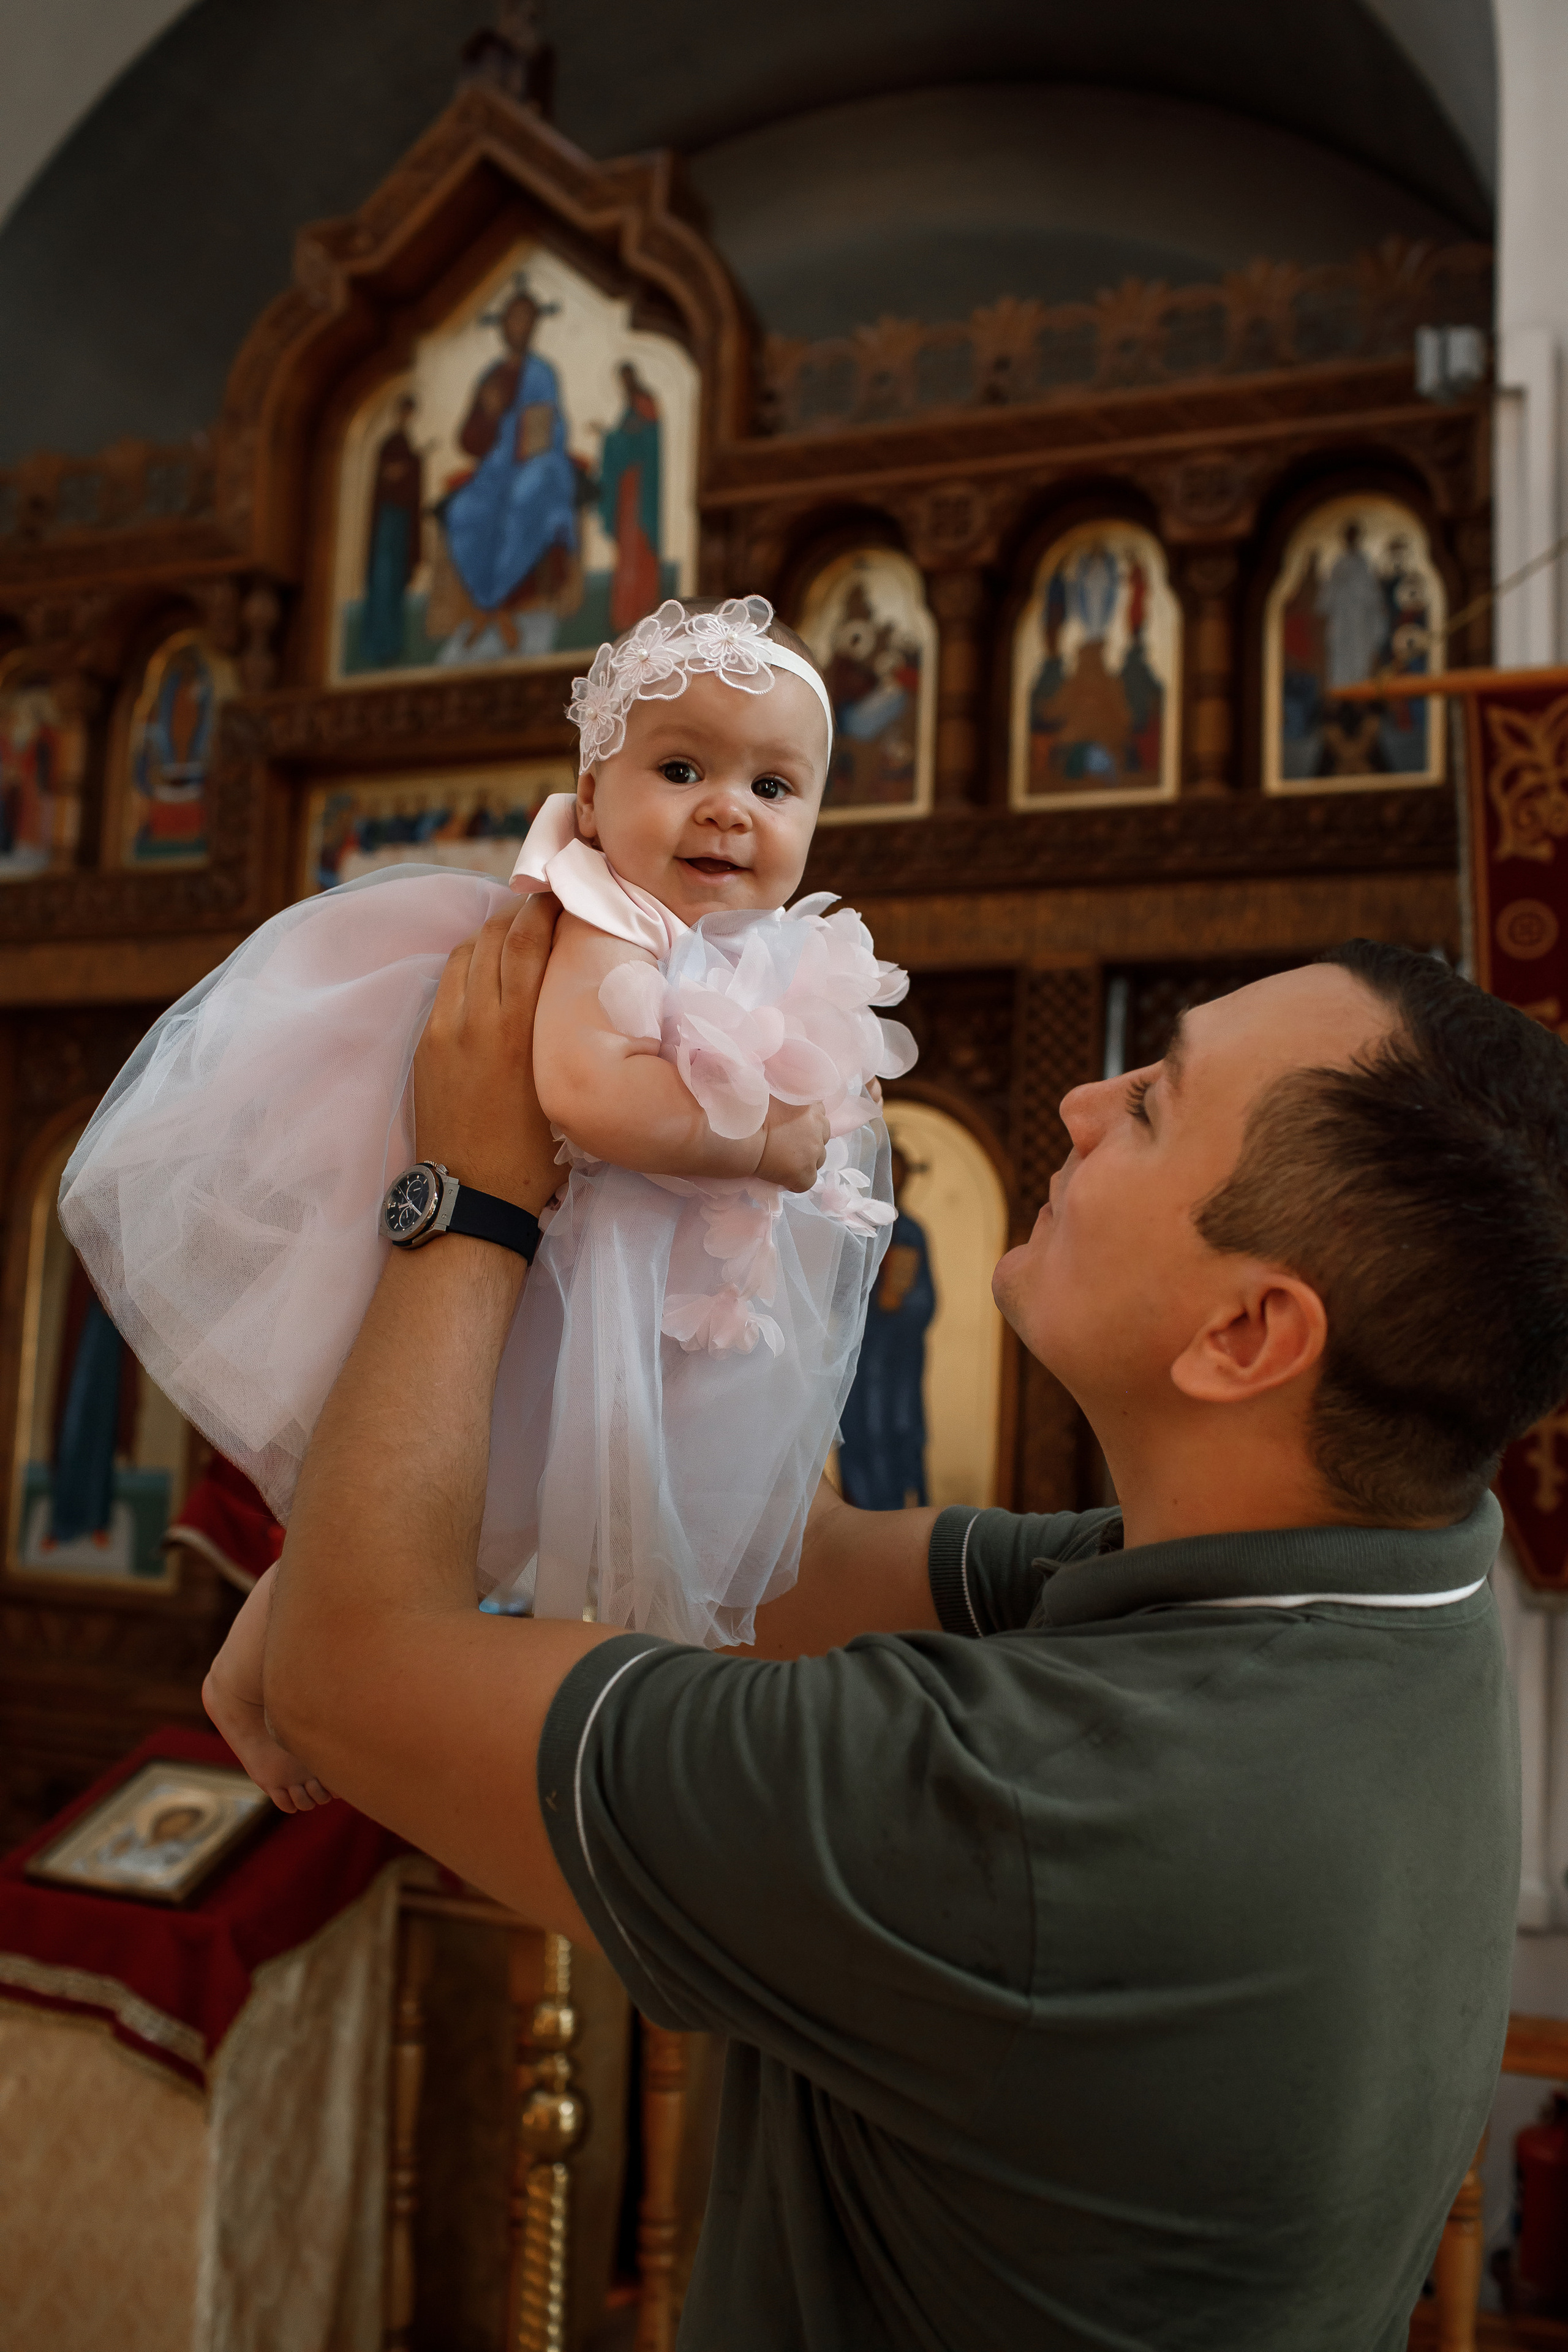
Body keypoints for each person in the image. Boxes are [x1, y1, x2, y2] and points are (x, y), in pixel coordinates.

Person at [212, 924, 1539, 2350]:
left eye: (1150, 1102)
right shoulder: (1389, 1580)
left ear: (1243, 1337)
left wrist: (469, 1195)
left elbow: (347, 1679)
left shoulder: (1040, 1809)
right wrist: (645, 1198)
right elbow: (790, 1562)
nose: (1082, 1106)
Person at [62, 597, 911, 1654]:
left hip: (658, 1293)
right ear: (593, 800)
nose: (729, 809)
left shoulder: (757, 946)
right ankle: (264, 1657)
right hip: (555, 1283)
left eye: (772, 786)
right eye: (683, 771)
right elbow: (587, 1091)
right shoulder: (607, 922)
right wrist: (763, 1144)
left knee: (639, 1503)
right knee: (473, 1486)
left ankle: (633, 1681)